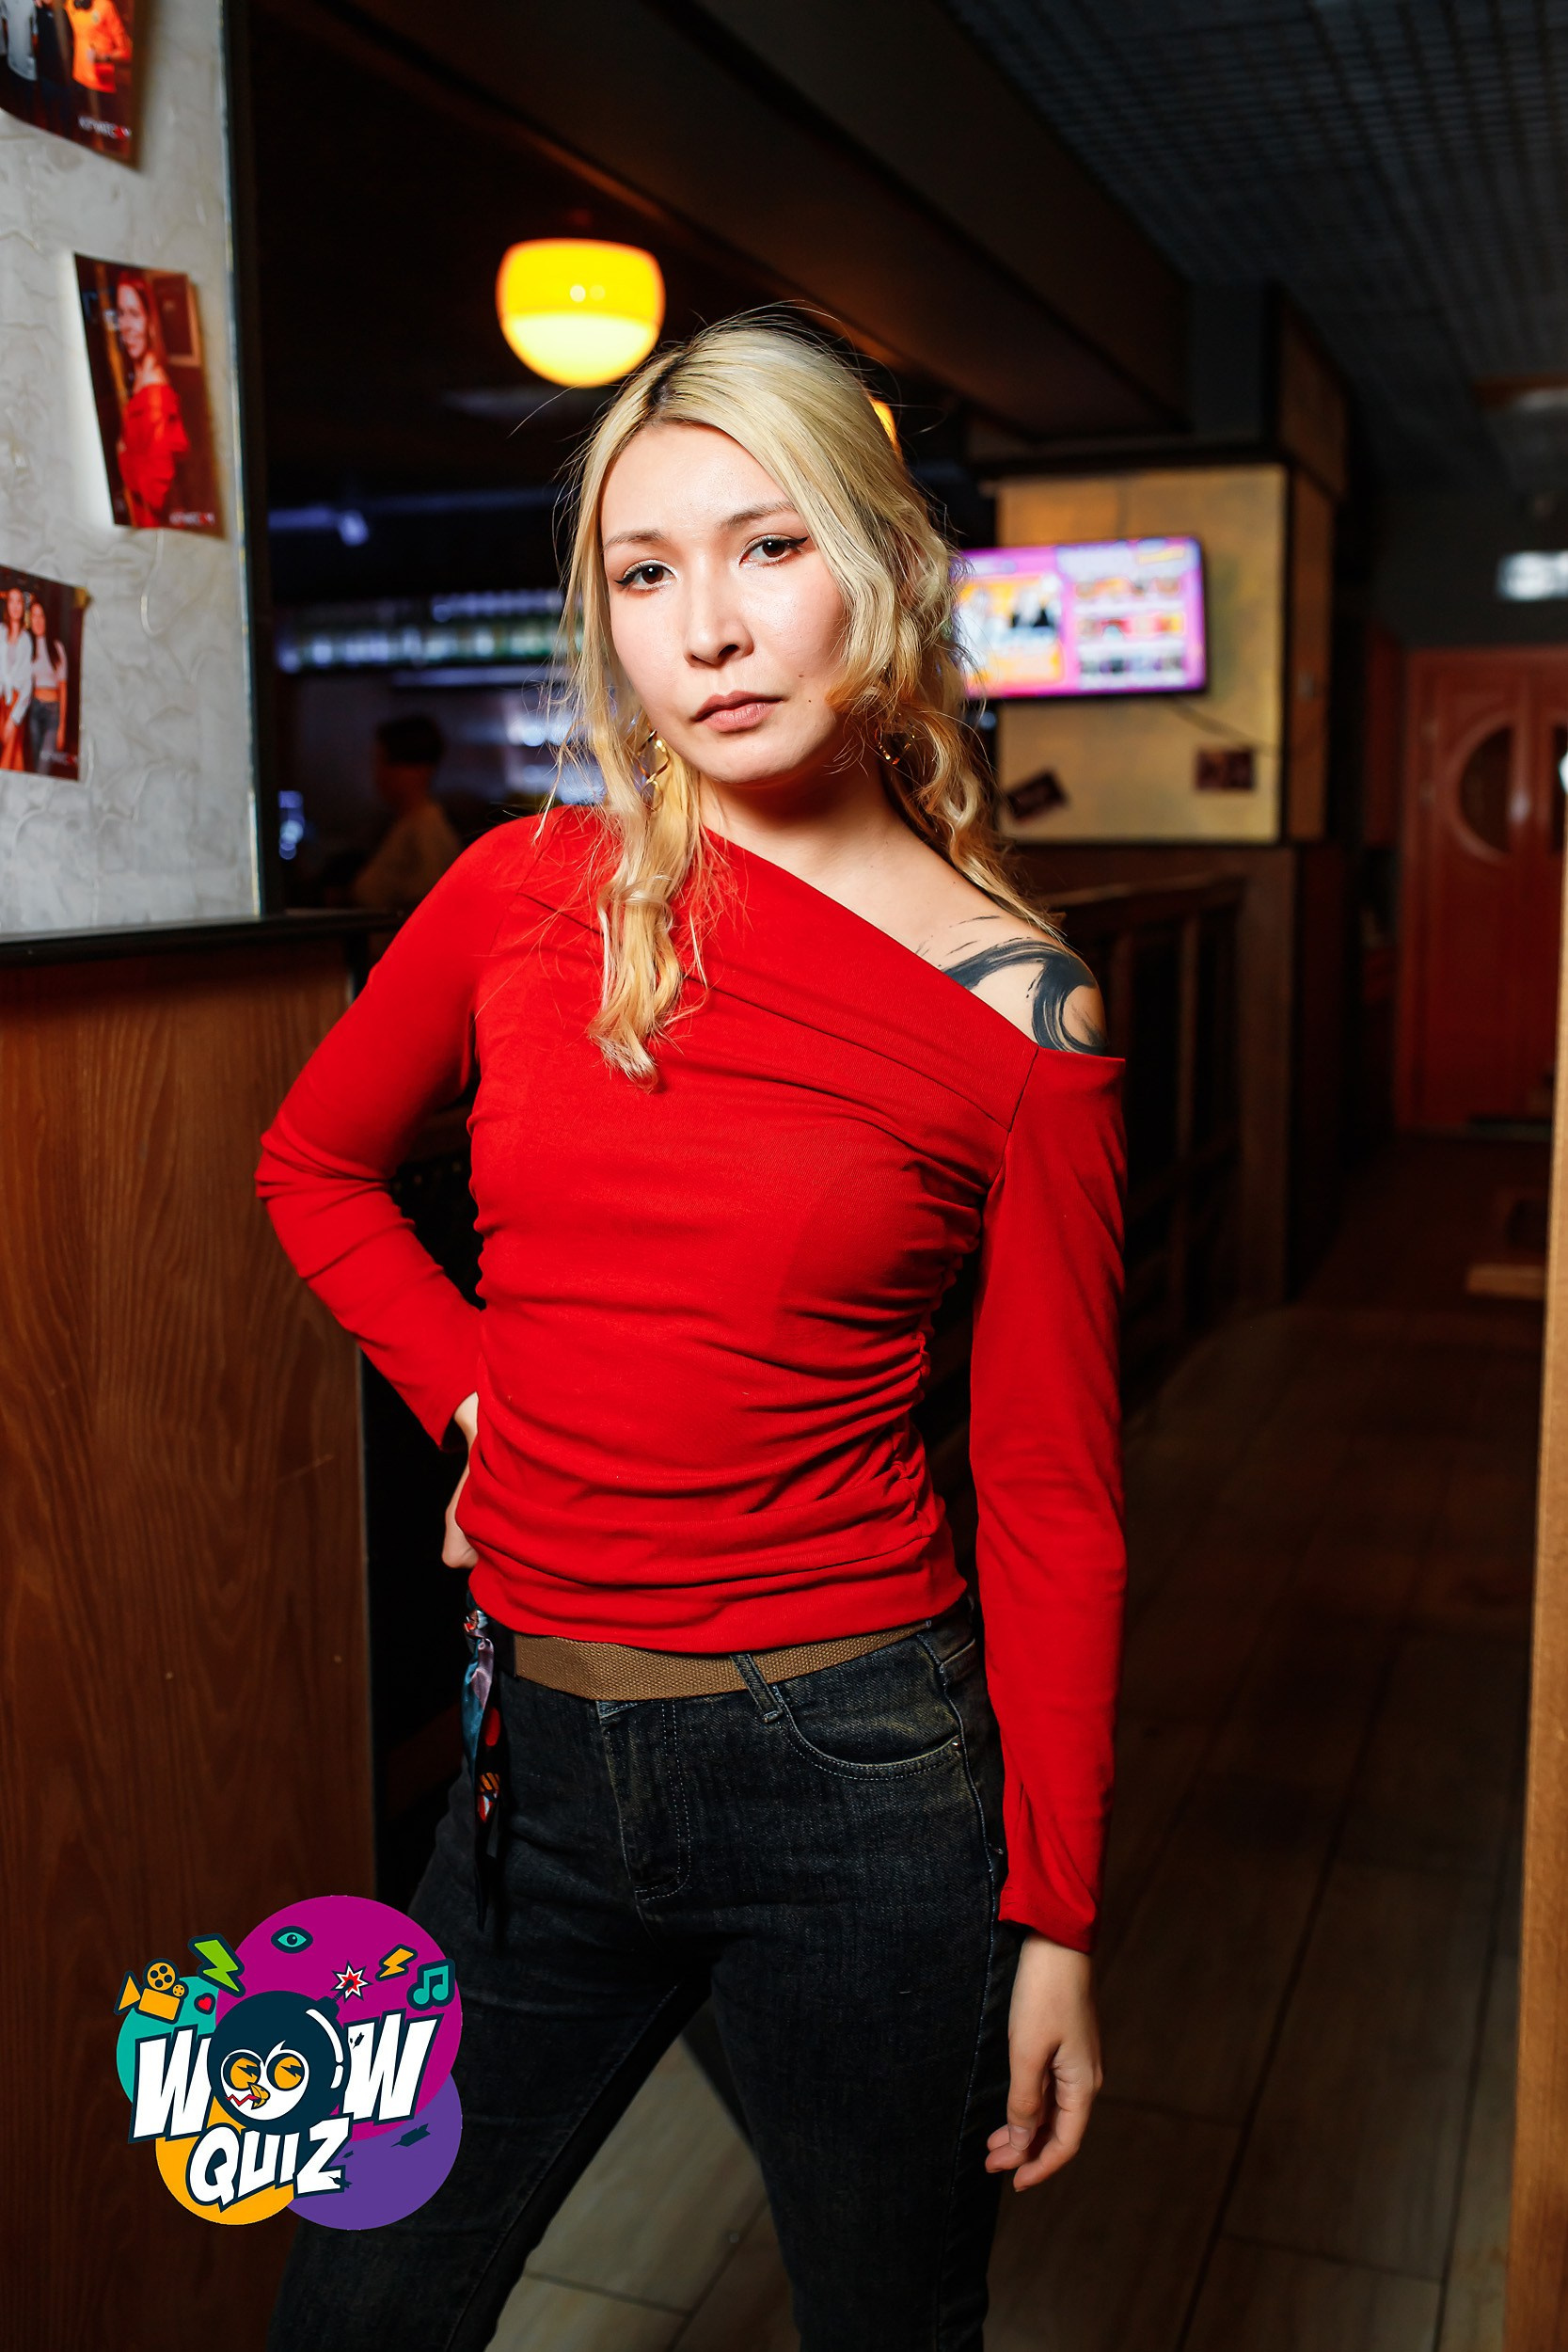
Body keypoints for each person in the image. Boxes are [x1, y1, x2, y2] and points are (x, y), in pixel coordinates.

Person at [257, 318, 1126, 2352]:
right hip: (525, 1773)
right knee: (346, 2311)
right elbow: (313, 1167)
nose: (707, 631)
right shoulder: (517, 890)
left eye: (767, 547)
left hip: (852, 1780)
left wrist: (1057, 1918)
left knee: (886, 2322)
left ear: (881, 564)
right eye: (644, 572)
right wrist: (477, 1398)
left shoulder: (1025, 1017)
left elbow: (1049, 1491)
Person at [349, 711, 463, 911]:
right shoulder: (407, 823)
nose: (379, 775)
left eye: (385, 762)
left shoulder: (426, 829)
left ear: (420, 769)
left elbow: (428, 905)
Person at [111, 273, 190, 529]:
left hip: (155, 527)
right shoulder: (139, 376)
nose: (125, 325)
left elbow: (156, 491)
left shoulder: (156, 390)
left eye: (134, 314)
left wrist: (123, 455)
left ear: (150, 321)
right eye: (121, 313)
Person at [25, 594, 68, 776]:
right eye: (34, 616)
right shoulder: (28, 648)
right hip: (34, 711)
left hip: (52, 714)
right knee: (35, 765)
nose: (37, 620)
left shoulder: (57, 648)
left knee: (44, 766)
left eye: (41, 615)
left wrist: (62, 727)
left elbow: (63, 689)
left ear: (46, 619)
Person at [0, 585, 32, 771]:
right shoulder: (0, 632)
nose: (15, 605)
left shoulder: (26, 640)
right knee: (16, 754)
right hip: (2, 701)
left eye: (18, 601)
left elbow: (28, 684)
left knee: (9, 750)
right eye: (11, 601)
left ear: (23, 606)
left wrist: (14, 719)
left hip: (17, 703)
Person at [0, 0, 38, 125]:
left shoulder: (32, 3)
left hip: (28, 67)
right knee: (16, 109)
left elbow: (36, 35)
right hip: (12, 62)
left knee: (30, 112)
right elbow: (5, 20)